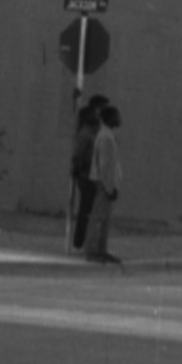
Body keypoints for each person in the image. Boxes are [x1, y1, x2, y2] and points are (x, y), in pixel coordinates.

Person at [67, 92, 109, 251]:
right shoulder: (86, 131)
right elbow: (78, 153)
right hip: (86, 175)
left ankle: (84, 240)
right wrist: (77, 169)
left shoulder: (96, 128)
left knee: (90, 209)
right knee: (87, 208)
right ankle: (80, 240)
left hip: (93, 174)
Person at [83, 101, 124, 264]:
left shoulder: (106, 134)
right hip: (104, 184)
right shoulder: (106, 137)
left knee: (104, 219)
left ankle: (101, 249)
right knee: (98, 217)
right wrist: (109, 187)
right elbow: (106, 165)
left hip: (106, 183)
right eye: (116, 116)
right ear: (110, 118)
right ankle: (92, 250)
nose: (120, 118)